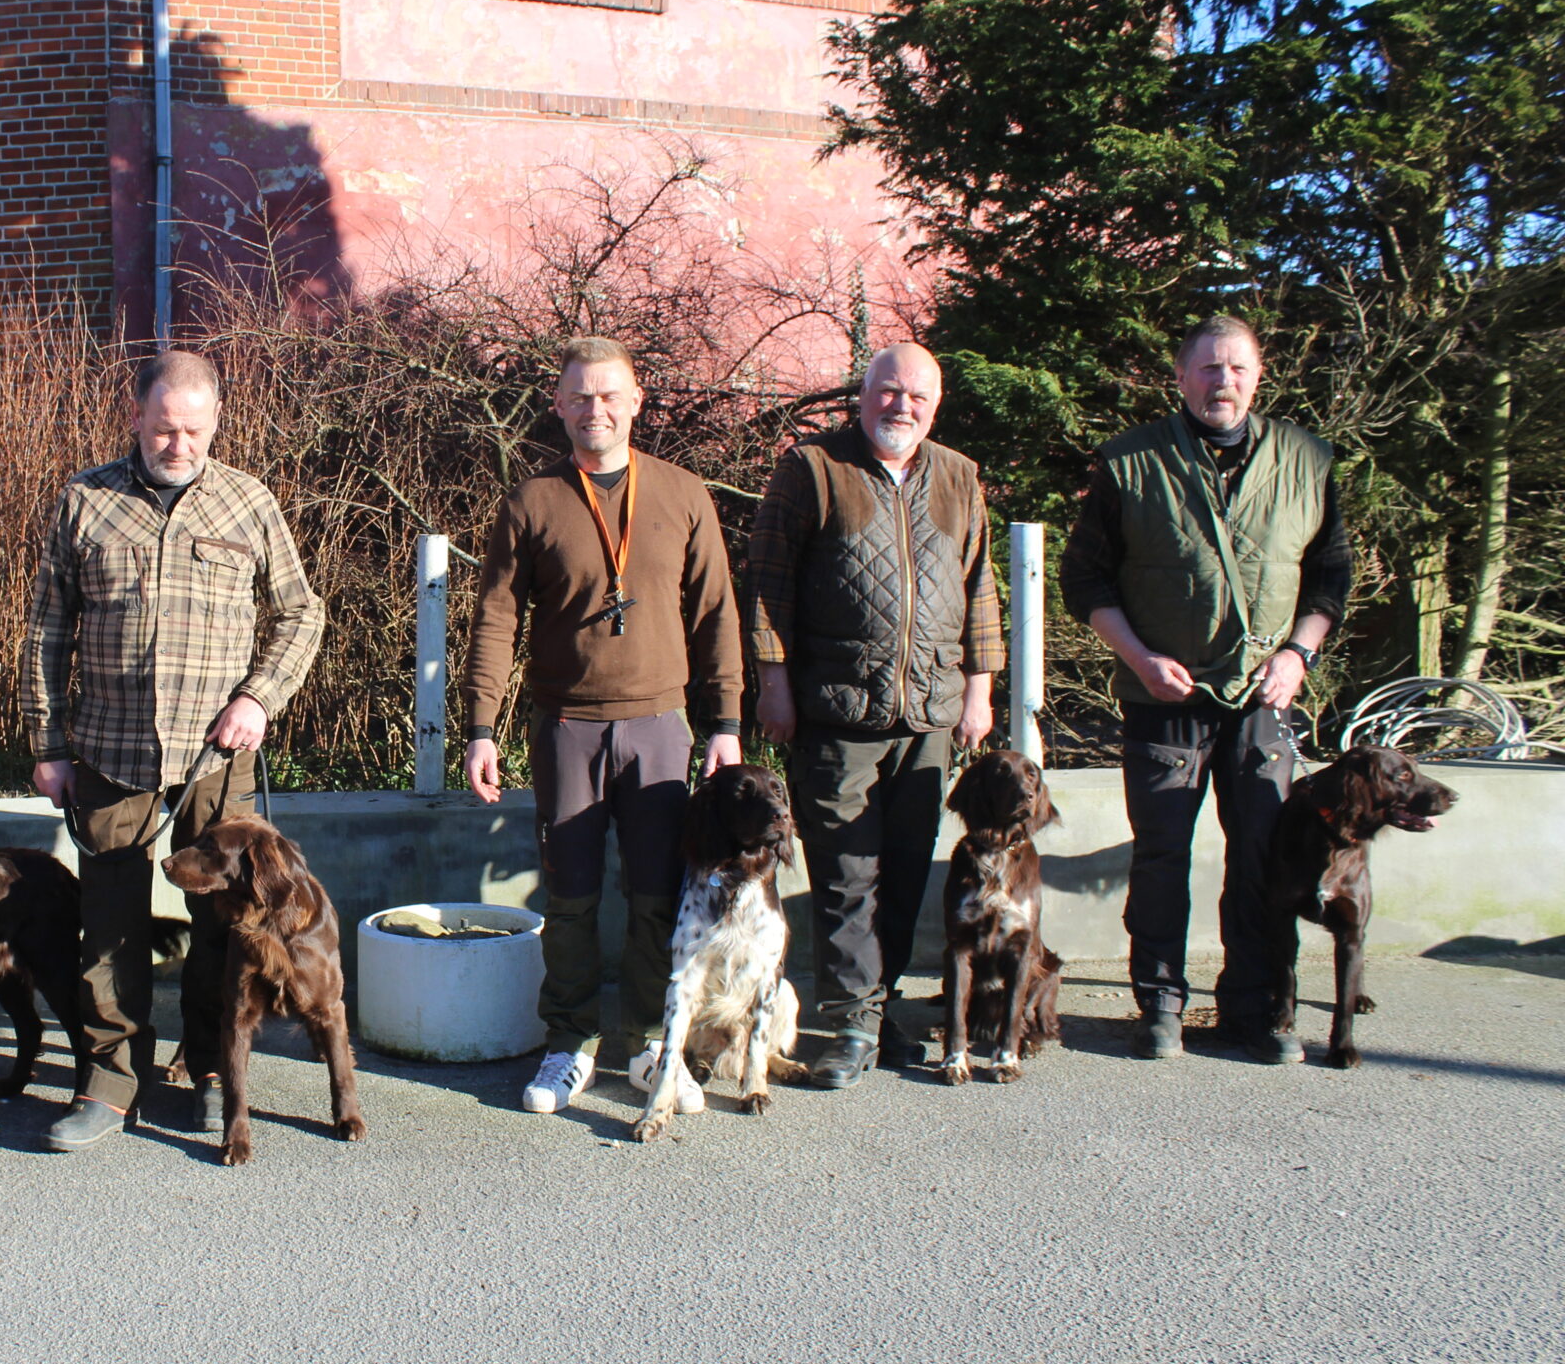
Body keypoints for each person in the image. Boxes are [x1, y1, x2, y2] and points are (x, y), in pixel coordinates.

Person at [21, 350, 325, 1153]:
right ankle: (112, 1077)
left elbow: (301, 614)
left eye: (193, 430)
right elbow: (48, 630)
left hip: (217, 761)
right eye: (163, 428)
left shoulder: (249, 503)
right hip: (111, 750)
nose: (177, 444)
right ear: (136, 416)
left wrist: (259, 696)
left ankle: (209, 1065)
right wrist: (47, 743)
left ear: (216, 423)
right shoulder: (86, 500)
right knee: (108, 923)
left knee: (225, 926)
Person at [460, 335, 746, 1117]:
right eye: (580, 397)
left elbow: (717, 612)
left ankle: (652, 1040)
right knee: (572, 895)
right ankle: (570, 1041)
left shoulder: (684, 494)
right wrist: (480, 726)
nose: (596, 410)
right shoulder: (531, 500)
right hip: (567, 727)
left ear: (636, 400)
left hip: (660, 726)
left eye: (610, 395)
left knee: (659, 894)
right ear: (558, 405)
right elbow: (496, 619)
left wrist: (725, 720)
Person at [1061, 314, 1349, 1063]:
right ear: (1181, 377)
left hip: (1264, 699)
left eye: (1239, 369)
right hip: (1162, 698)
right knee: (1162, 856)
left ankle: (1254, 1010)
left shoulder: (1308, 460)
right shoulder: (1128, 463)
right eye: (1209, 369)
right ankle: (1158, 1004)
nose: (1224, 382)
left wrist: (1297, 654)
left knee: (1263, 854)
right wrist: (1139, 655)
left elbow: (1329, 580)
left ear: (1260, 377)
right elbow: (1083, 577)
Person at [744, 343, 1001, 1088]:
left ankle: (881, 1011)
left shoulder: (958, 477)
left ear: (936, 404)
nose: (902, 406)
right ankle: (854, 1021)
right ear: (864, 394)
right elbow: (767, 584)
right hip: (836, 709)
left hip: (929, 713)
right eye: (889, 391)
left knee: (905, 868)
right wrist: (774, 682)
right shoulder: (813, 469)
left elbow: (980, 588)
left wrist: (979, 691)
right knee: (846, 871)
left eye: (917, 396)